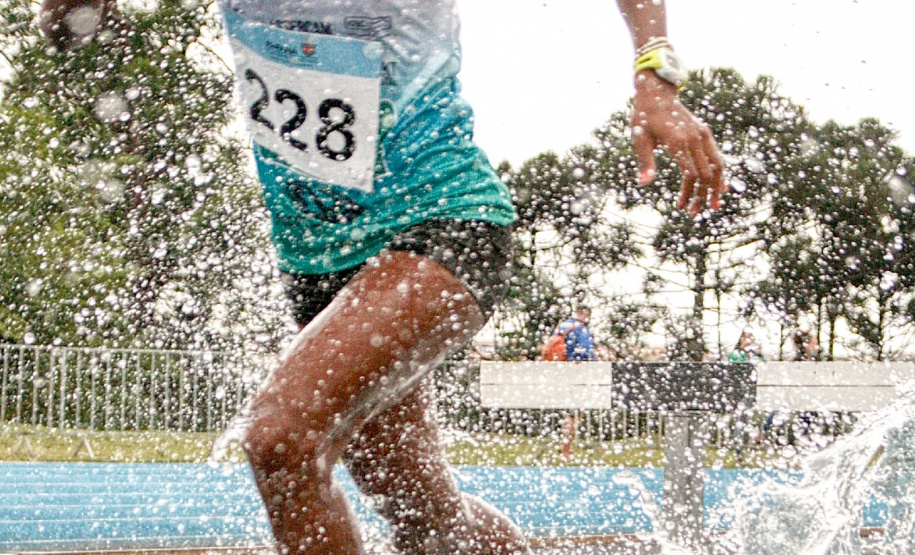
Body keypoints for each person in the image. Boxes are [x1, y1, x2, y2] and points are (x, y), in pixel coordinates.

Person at [41, 0, 726, 553]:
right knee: (427, 515)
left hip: (442, 225)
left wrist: (653, 77)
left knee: (282, 438)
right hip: (319, 262)